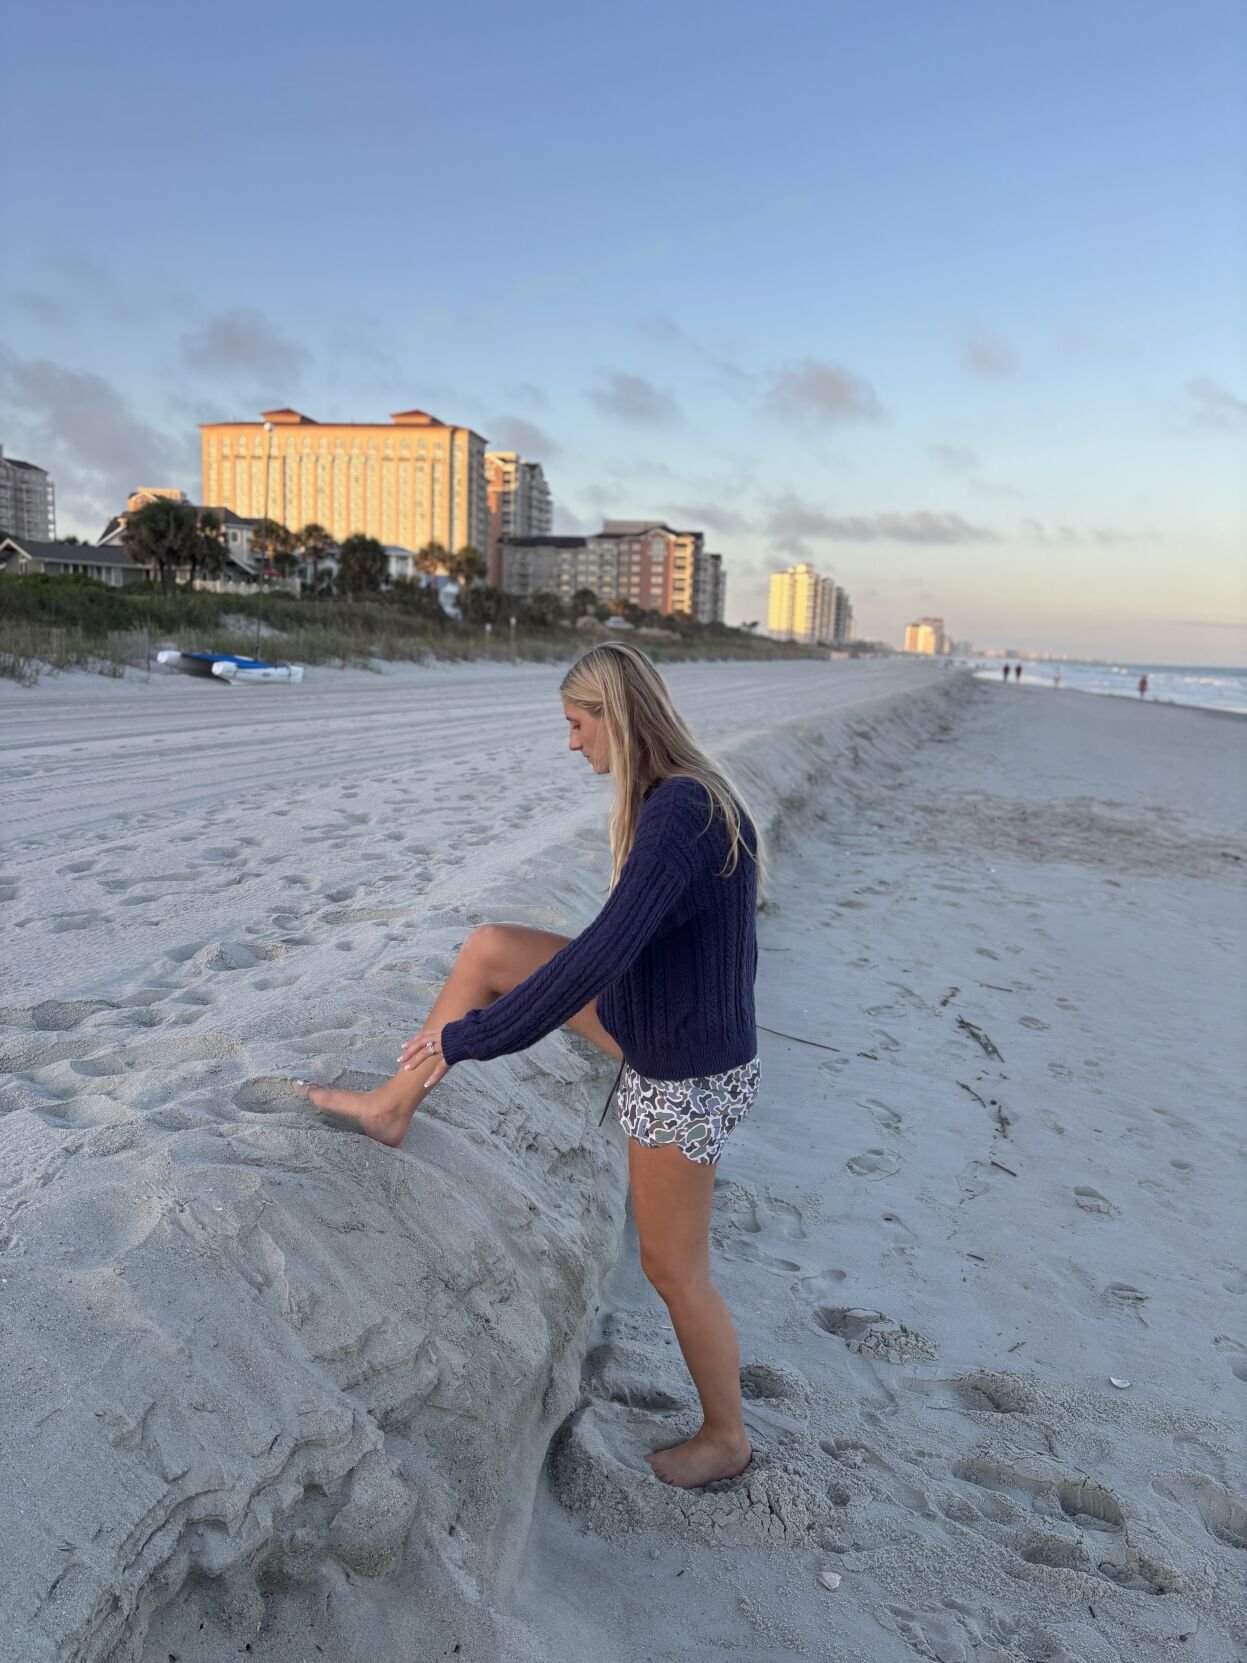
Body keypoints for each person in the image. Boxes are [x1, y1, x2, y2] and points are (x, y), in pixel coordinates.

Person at [295, 642, 764, 1491]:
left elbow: (594, 961)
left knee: (672, 1266)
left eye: (577, 726)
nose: (573, 745)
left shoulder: (677, 818)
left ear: (613, 717)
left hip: (683, 1067)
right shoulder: (688, 796)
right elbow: (619, 954)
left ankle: (726, 1435)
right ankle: (390, 1108)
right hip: (669, 1025)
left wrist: (469, 1037)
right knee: (490, 949)